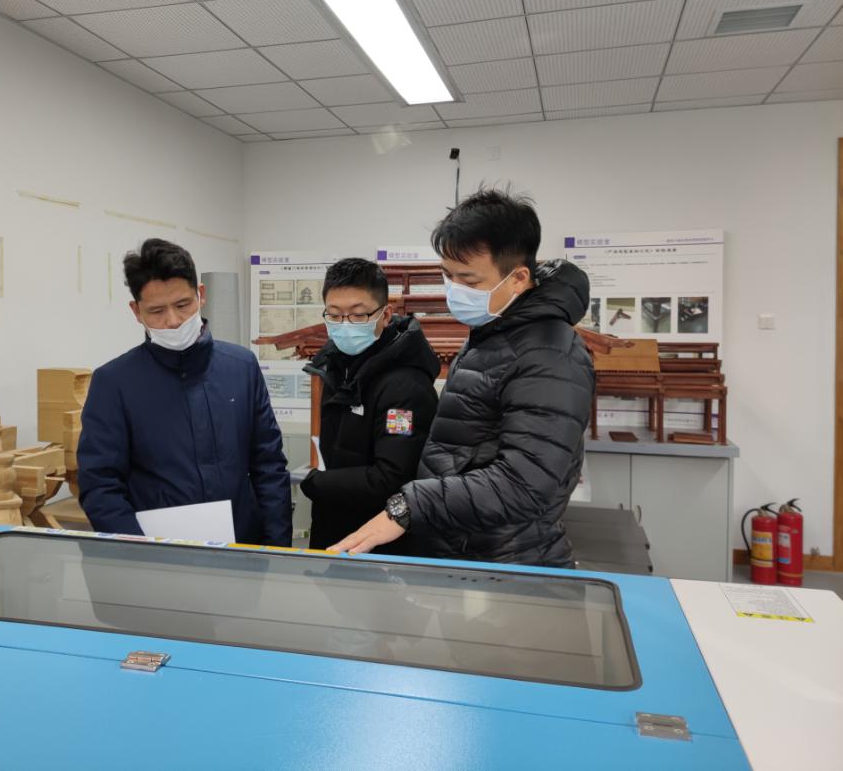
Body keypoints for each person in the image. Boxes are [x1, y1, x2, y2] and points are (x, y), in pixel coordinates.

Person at [330, 188, 594, 567]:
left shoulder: (549, 353)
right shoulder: (493, 333)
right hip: (463, 547)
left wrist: (411, 505)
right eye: (448, 276)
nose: (454, 290)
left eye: (468, 281)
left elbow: (524, 484)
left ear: (518, 278)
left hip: (505, 560)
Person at [77, 238, 292, 546]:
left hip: (244, 549)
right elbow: (100, 485)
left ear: (200, 294)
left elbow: (269, 466)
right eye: (156, 311)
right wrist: (142, 553)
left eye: (182, 305)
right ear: (136, 311)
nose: (173, 321)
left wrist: (278, 549)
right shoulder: (114, 383)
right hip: (157, 556)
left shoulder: (241, 367)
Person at [300, 258, 440, 553]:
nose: (344, 325)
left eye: (358, 314)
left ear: (385, 314)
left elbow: (392, 477)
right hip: (333, 530)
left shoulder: (406, 386)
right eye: (334, 315)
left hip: (383, 543)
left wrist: (317, 483)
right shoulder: (334, 366)